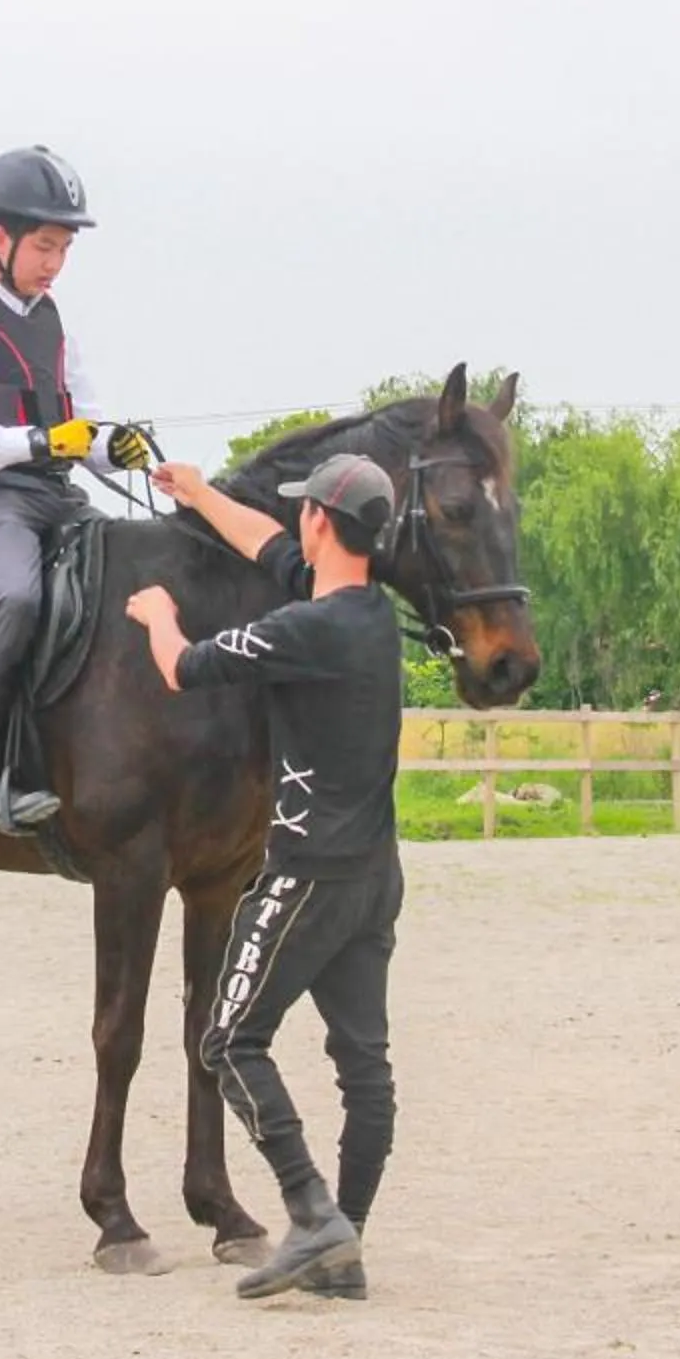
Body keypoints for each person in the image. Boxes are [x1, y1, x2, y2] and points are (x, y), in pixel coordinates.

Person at [126, 451, 404, 1302]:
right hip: (374, 877)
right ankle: (343, 1242)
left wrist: (156, 613)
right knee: (365, 1066)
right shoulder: (369, 612)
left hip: (306, 878)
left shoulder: (304, 632)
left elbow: (184, 668)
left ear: (318, 521)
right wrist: (201, 494)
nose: (292, 529)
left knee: (228, 1039)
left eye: (302, 517)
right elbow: (265, 549)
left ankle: (312, 1215)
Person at [0, 145, 154, 835]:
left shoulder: (54, 322)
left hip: (53, 496)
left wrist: (117, 450)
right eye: (45, 246)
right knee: (14, 594)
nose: (54, 263)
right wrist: (45, 444)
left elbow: (87, 427)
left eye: (64, 249)